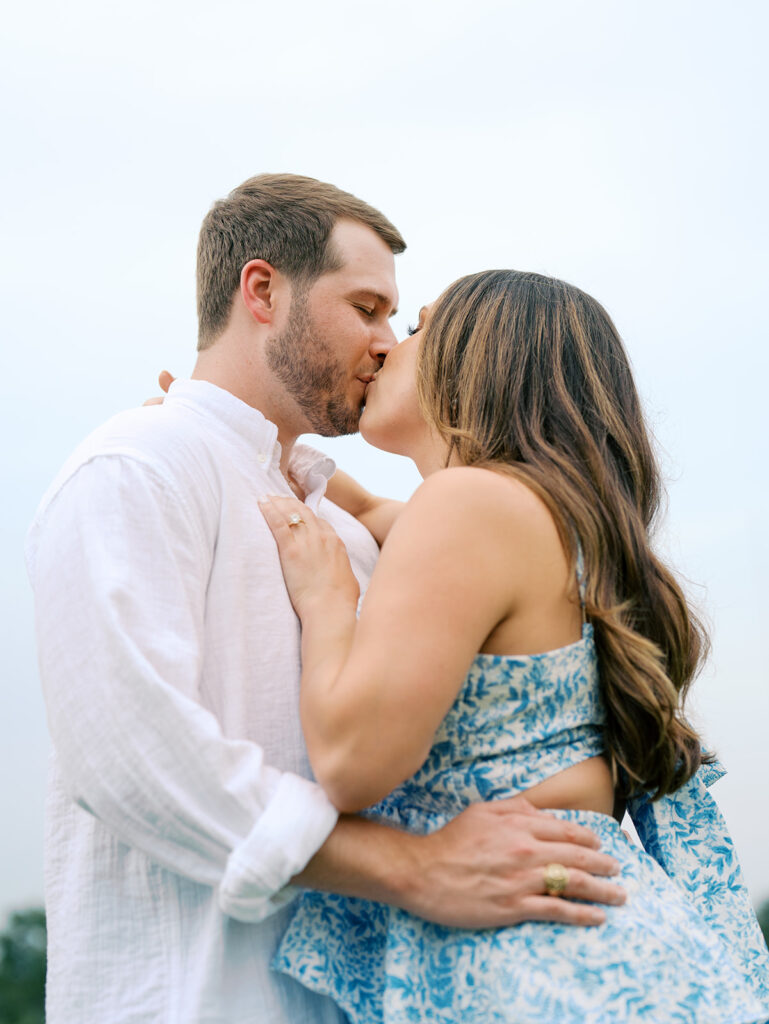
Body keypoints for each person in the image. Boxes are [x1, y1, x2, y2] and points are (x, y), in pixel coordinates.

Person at [26, 178, 623, 1024]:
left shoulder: (348, 532)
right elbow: (131, 755)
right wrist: (414, 868)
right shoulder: (137, 465)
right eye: (369, 308)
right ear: (262, 290)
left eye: (397, 321)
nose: (385, 343)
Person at [259, 270, 769, 1023]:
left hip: (544, 966)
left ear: (480, 356)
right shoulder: (544, 522)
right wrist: (231, 428)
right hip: (597, 952)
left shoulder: (470, 505)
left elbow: (349, 762)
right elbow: (363, 505)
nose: (384, 349)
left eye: (415, 328)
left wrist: (327, 600)